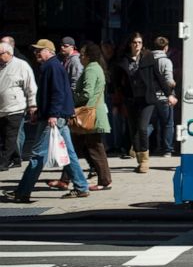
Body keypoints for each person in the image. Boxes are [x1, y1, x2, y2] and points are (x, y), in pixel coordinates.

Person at [0, 39, 91, 202]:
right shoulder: (51, 66)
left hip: (55, 117)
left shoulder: (52, 67)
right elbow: (50, 95)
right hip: (55, 116)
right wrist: (40, 112)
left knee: (37, 154)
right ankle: (81, 186)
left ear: (49, 51)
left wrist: (52, 115)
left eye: (39, 50)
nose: (36, 53)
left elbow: (57, 93)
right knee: (68, 153)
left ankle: (22, 192)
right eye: (35, 51)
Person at [48, 42, 113, 191]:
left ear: (88, 56)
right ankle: (65, 180)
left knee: (94, 149)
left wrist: (70, 97)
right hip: (91, 115)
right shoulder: (95, 68)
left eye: (82, 55)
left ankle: (105, 181)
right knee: (75, 148)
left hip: (88, 116)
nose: (80, 57)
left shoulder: (91, 69)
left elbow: (86, 94)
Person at [115, 32, 176, 173]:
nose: (137, 45)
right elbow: (117, 82)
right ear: (130, 44)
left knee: (143, 128)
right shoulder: (123, 60)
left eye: (140, 42)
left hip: (147, 99)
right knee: (134, 131)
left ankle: (144, 162)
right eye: (135, 42)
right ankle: (139, 158)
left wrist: (169, 94)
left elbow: (159, 77)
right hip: (131, 100)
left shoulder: (148, 58)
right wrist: (119, 98)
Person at [0, 42, 37, 171]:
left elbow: (30, 86)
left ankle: (3, 162)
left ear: (9, 53)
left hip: (15, 107)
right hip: (2, 108)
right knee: (5, 135)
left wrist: (32, 105)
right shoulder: (1, 65)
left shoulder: (21, 65)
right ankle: (16, 158)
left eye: (0, 54)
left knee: (10, 136)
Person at [151, 36, 176, 156]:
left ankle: (152, 146)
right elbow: (169, 80)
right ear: (166, 48)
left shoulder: (147, 59)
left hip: (151, 97)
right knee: (167, 123)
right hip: (165, 97)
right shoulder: (167, 61)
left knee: (152, 123)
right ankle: (167, 149)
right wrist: (174, 83)